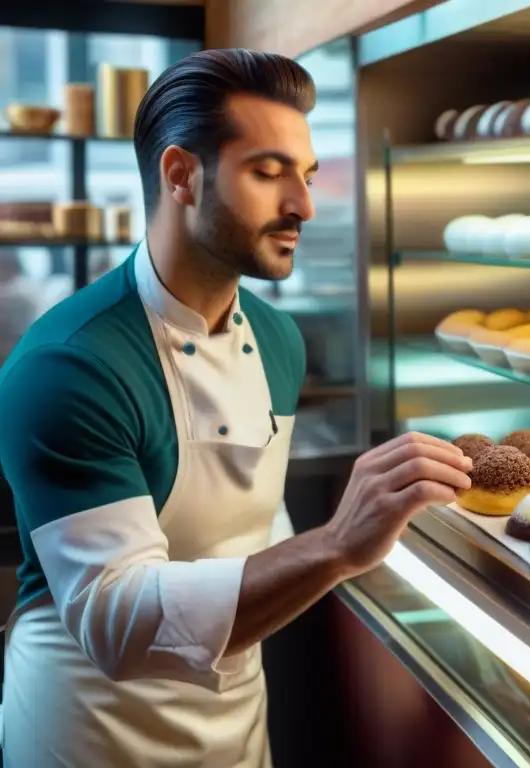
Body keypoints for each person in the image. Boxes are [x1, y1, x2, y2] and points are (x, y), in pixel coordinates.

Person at [0, 49, 472, 767]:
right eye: (268, 172)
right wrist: (337, 543)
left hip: (236, 726)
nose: (304, 206)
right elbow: (116, 624)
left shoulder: (277, 339)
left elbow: (254, 540)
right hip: (90, 733)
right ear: (181, 175)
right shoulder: (69, 364)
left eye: (306, 176)